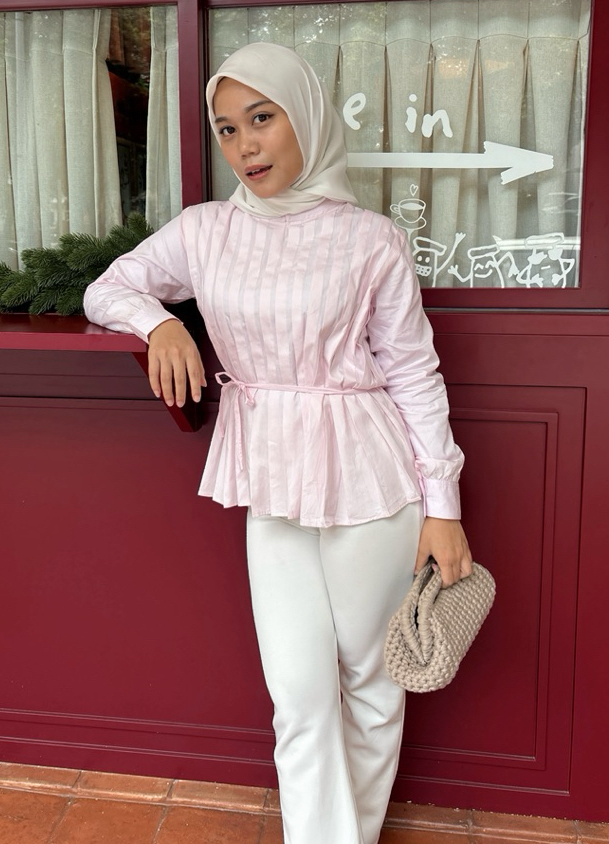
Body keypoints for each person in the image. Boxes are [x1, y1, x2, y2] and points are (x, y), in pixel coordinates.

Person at [83, 41, 473, 844]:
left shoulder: (371, 240)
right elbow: (108, 287)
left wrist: (444, 509)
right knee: (297, 693)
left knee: (371, 682)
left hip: (369, 478)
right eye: (227, 129)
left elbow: (414, 372)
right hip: (268, 477)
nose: (245, 146)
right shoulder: (205, 231)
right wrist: (159, 324)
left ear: (306, 118)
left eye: (262, 119)